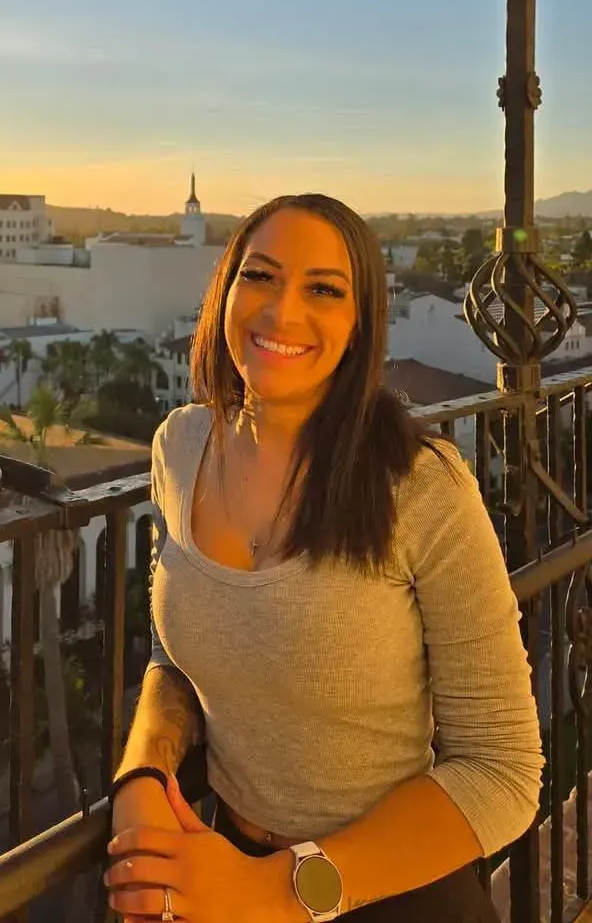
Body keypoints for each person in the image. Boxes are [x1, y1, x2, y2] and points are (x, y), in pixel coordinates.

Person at [103, 194, 542, 923]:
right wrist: (143, 770)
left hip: (392, 891)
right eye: (262, 276)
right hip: (221, 871)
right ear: (225, 291)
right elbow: (176, 649)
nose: (282, 312)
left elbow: (503, 771)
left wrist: (276, 889)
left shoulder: (420, 489)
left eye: (324, 290)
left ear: (359, 324)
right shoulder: (179, 447)